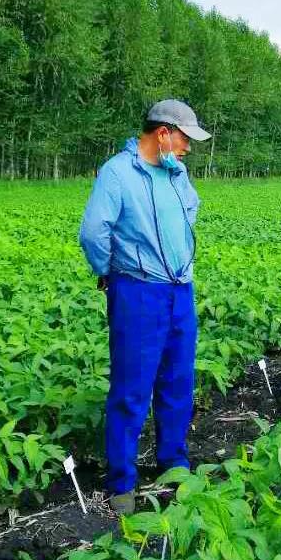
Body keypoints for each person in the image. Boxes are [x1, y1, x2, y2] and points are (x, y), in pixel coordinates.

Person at [78, 99, 211, 514]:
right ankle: (121, 482)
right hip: (138, 291)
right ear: (163, 133)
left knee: (177, 380)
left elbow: (191, 209)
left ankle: (173, 462)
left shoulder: (176, 172)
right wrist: (108, 271)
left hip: (180, 291)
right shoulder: (118, 172)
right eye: (184, 138)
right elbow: (93, 231)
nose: (188, 147)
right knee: (132, 388)